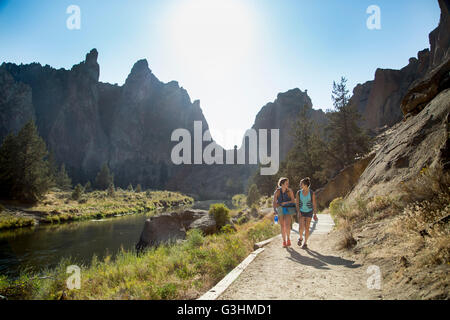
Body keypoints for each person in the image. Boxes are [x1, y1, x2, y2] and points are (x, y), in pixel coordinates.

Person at [273, 177, 296, 247]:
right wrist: (275, 210)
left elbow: (293, 201)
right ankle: (284, 241)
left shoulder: (290, 191)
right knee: (282, 226)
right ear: (282, 184)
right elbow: (274, 202)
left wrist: (285, 203)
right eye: (286, 183)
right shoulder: (277, 191)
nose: (288, 184)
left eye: (288, 183)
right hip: (279, 208)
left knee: (287, 225)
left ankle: (288, 239)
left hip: (288, 208)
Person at [295, 177, 318, 249]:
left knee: (307, 228)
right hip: (301, 211)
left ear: (305, 185)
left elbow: (314, 204)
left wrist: (314, 214)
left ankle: (305, 243)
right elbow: (297, 203)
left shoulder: (311, 193)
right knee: (301, 227)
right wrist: (298, 212)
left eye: (301, 184)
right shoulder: (299, 192)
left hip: (309, 212)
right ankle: (301, 238)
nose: (300, 185)